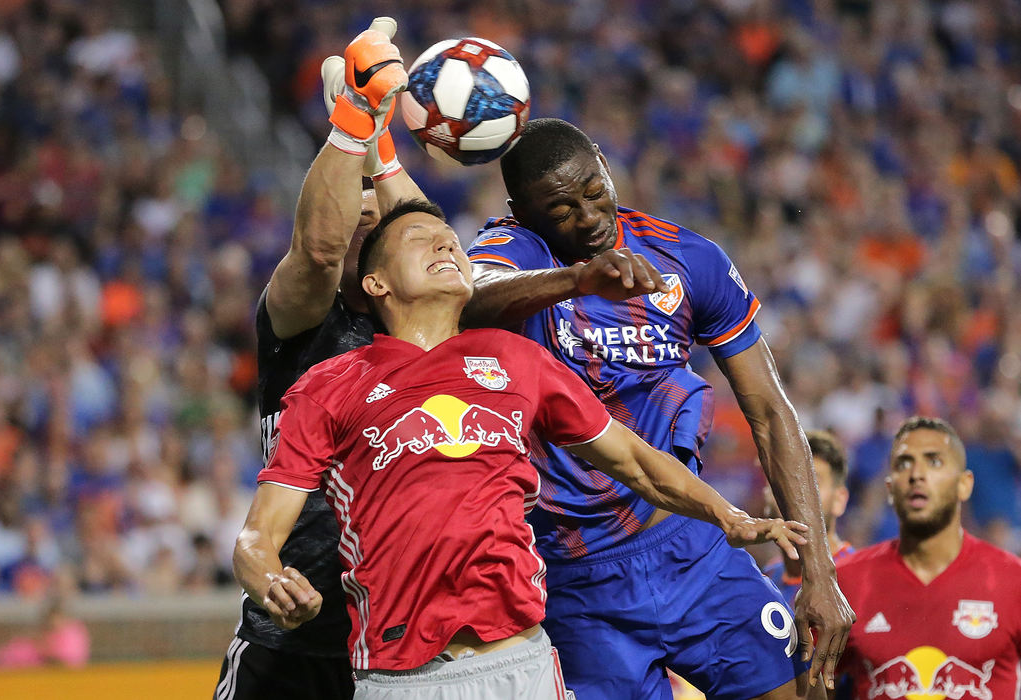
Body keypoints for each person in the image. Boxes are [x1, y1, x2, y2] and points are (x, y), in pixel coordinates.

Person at [236, 186, 810, 698]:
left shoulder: (516, 361)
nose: (444, 246)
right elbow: (257, 537)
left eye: (449, 239)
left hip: (525, 661)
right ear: (375, 282)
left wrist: (726, 515)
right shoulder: (330, 385)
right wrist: (272, 581)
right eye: (419, 239)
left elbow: (637, 461)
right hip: (399, 677)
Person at [464, 117, 854, 699]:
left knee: (804, 692)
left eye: (595, 191)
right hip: (575, 578)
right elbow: (470, 303)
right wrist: (578, 281)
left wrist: (819, 571)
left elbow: (771, 413)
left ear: (605, 166)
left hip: (690, 547)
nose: (589, 216)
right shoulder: (513, 250)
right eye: (562, 209)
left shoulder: (686, 258)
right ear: (522, 211)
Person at [215, 19, 424, 700]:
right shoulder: (303, 324)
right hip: (291, 645)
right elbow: (317, 251)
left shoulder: (432, 332)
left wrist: (382, 150)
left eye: (375, 217)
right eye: (351, 213)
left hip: (399, 647)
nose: (362, 222)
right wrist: (355, 120)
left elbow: (423, 237)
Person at [834, 416, 1021, 699]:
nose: (916, 474)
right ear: (889, 488)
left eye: (934, 461)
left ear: (965, 484)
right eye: (904, 463)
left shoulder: (1013, 581)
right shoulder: (844, 582)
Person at [764, 430, 855, 606]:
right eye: (785, 480)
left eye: (812, 483)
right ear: (768, 493)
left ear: (839, 500)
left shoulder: (862, 578)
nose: (796, 493)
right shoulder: (764, 579)